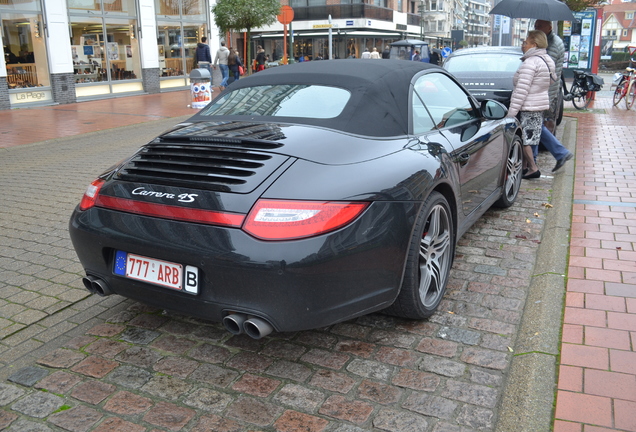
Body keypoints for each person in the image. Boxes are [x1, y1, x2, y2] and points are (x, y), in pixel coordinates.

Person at [507, 30, 556, 180]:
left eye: (525, 42)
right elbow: (552, 80)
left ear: (534, 45)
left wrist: (511, 113)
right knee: (532, 137)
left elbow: (522, 90)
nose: (523, 45)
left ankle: (533, 168)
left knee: (526, 139)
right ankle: (526, 167)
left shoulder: (531, 62)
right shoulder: (547, 60)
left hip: (529, 106)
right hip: (538, 105)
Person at [534, 19, 573, 172]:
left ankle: (536, 162)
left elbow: (544, 69)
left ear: (549, 27)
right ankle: (554, 155)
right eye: (535, 26)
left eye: (540, 26)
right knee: (536, 126)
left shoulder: (553, 44)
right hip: (546, 91)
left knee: (535, 126)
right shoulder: (550, 41)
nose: (536, 28)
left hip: (545, 92)